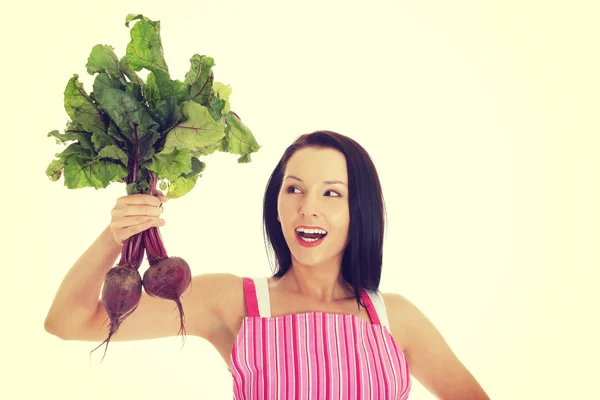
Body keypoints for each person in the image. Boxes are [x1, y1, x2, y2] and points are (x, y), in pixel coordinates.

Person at [45, 130, 490, 399]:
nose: (307, 208)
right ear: (276, 205)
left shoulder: (398, 318)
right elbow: (68, 321)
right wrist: (115, 235)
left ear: (360, 210)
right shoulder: (231, 302)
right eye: (294, 189)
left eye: (331, 193)